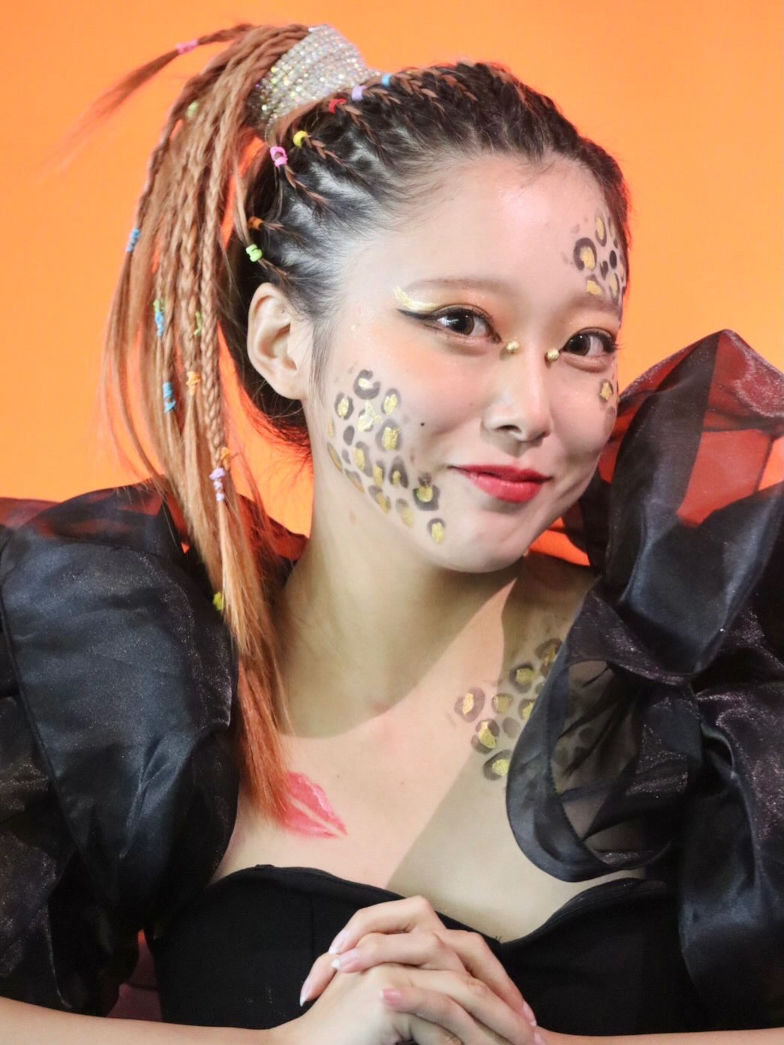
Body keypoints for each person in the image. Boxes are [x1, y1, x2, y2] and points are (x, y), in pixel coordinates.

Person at [0, 20, 782, 1045]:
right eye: (461, 322)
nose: (533, 408)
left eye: (585, 342)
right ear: (283, 340)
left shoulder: (713, 671)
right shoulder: (129, 682)